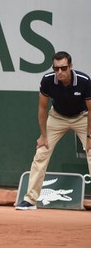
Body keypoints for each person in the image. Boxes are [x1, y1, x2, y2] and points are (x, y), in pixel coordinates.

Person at [16, 51, 91, 210]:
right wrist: (43, 136)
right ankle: (30, 200)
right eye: (56, 69)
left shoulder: (84, 81)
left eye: (63, 68)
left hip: (82, 118)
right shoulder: (48, 80)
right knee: (41, 153)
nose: (60, 72)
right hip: (57, 117)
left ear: (71, 66)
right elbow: (42, 108)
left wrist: (89, 136)